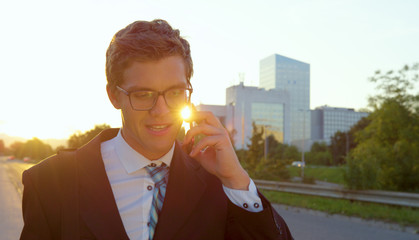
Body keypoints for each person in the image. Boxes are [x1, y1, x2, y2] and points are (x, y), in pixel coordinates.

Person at [20, 19, 293, 240]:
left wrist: (236, 179)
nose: (161, 110)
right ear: (114, 96)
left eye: (175, 93)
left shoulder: (220, 184)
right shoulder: (49, 183)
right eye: (143, 94)